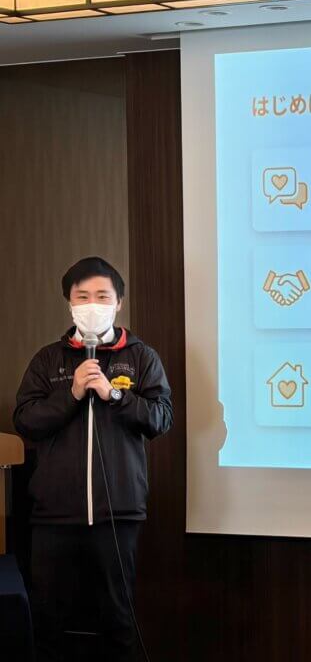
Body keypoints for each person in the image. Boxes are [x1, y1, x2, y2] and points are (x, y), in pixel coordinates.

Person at [14, 257, 173, 662]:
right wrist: (69, 395)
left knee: (117, 619)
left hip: (118, 513)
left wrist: (114, 395)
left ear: (118, 302)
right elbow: (25, 421)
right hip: (53, 515)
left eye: (102, 296)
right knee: (48, 620)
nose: (92, 304)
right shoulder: (48, 359)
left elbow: (160, 419)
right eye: (82, 296)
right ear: (69, 303)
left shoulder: (141, 357)